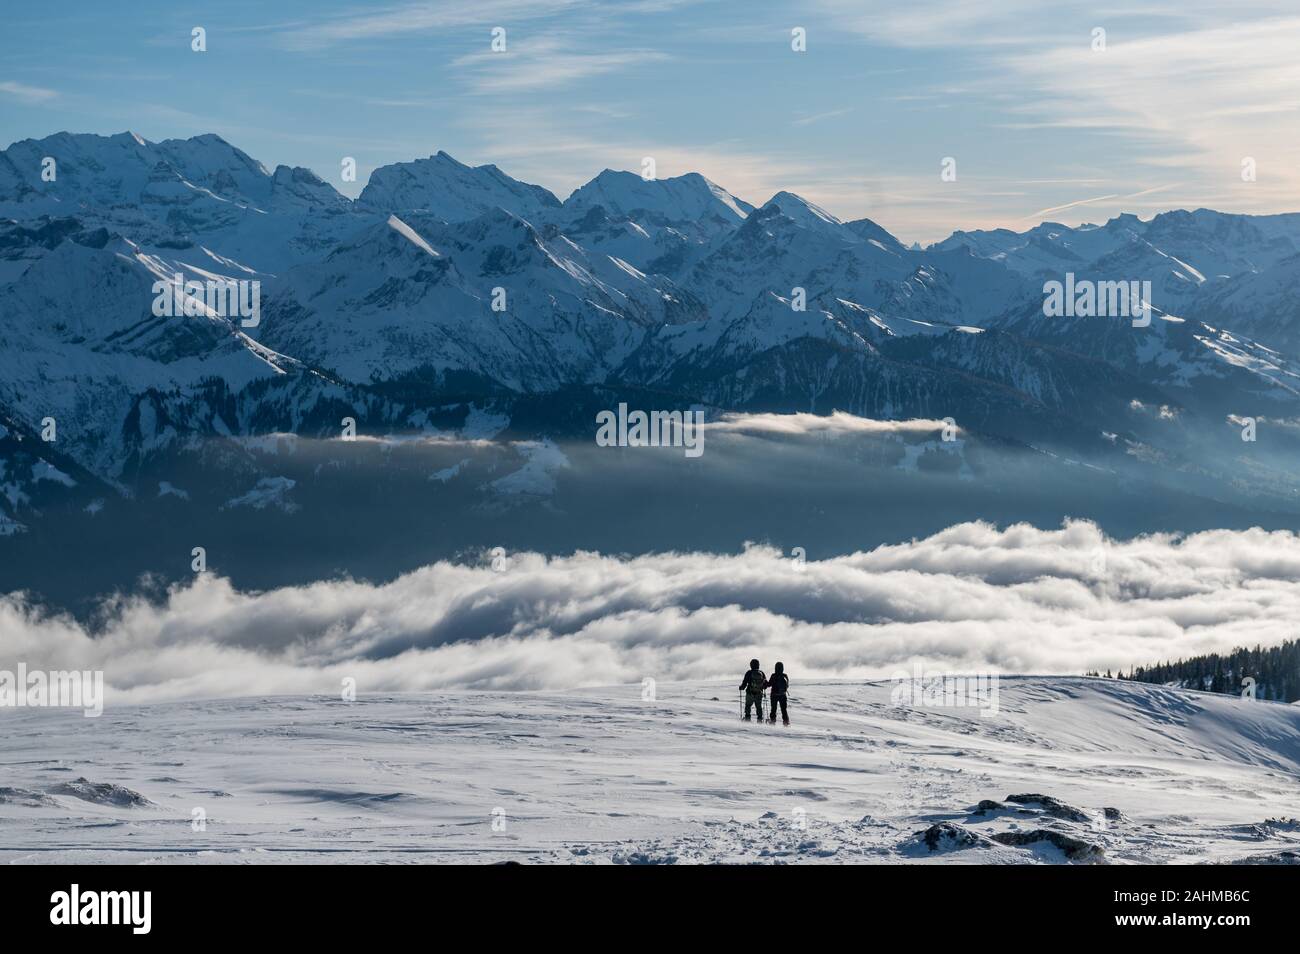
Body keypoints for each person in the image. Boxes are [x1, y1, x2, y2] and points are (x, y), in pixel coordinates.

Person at [766, 661, 790, 726]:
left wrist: (764, 682)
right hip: (783, 695)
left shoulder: (773, 675)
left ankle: (772, 722)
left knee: (773, 709)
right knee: (784, 710)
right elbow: (787, 685)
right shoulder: (785, 675)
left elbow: (769, 684)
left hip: (774, 695)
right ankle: (786, 723)